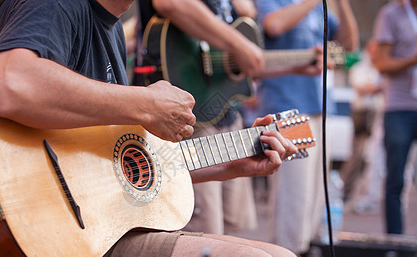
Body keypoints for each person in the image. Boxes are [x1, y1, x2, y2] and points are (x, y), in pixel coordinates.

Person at [0, 0, 304, 257]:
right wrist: (144, 102)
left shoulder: (112, 28)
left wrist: (229, 163)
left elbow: (114, 170)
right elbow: (8, 84)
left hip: (84, 244)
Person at [133, 0, 323, 236]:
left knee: (233, 236)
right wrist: (239, 46)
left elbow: (238, 62)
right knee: (204, 240)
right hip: (185, 118)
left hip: (225, 116)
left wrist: (297, 65)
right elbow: (171, 2)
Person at [254, 0, 358, 257]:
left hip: (318, 109)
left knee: (312, 198)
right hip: (288, 110)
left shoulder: (317, 9)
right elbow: (273, 25)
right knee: (293, 195)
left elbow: (348, 44)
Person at [372, 0, 417, 234]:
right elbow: (381, 64)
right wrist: (412, 59)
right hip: (400, 108)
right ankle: (394, 242)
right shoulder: (391, 14)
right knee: (395, 179)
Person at [338, 39, 385, 213]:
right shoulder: (360, 68)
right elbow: (362, 89)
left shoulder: (379, 68)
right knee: (356, 156)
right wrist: (378, 87)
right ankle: (344, 193)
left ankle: (366, 196)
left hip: (377, 115)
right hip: (362, 116)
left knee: (373, 157)